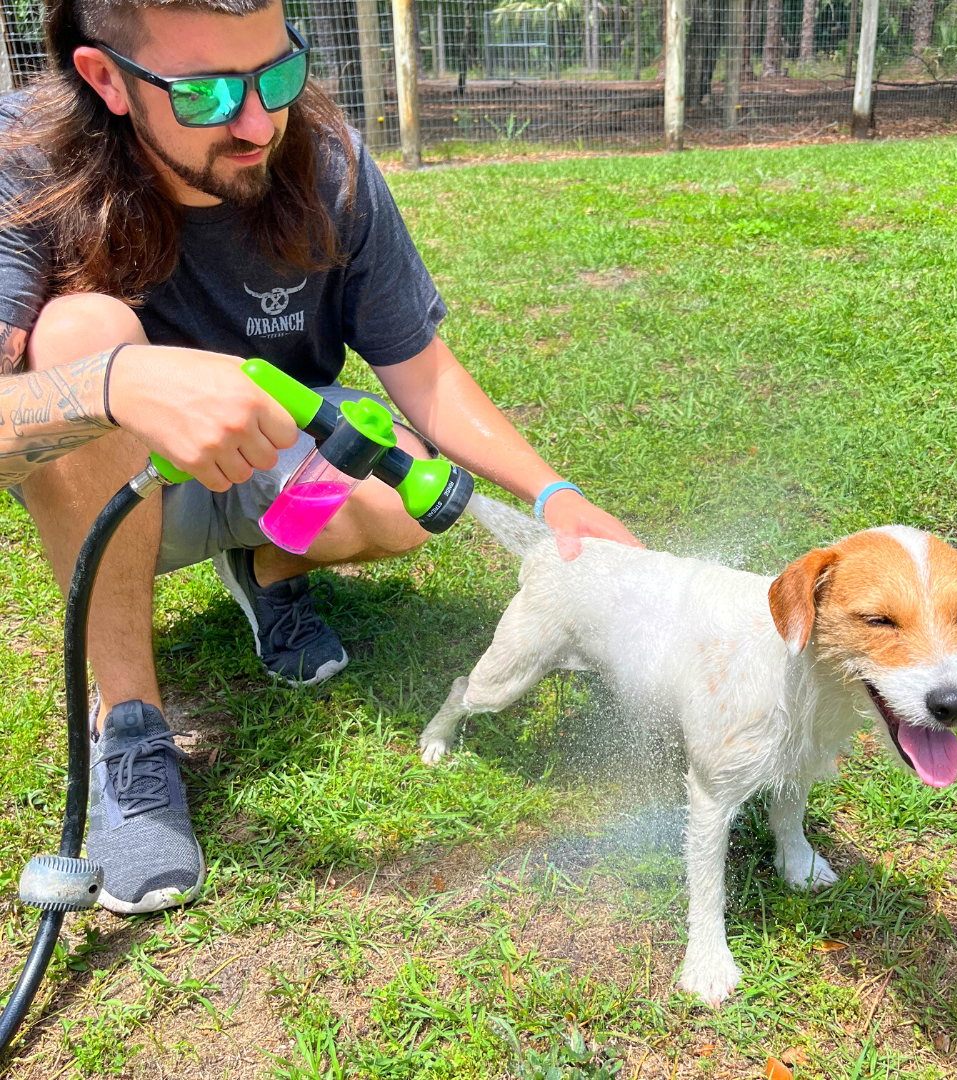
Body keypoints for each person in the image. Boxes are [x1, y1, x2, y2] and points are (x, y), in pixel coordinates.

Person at [0, 0, 641, 915]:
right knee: (82, 331)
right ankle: (131, 729)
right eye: (210, 92)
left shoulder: (326, 161)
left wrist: (555, 496)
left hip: (280, 462)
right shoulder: (27, 161)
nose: (259, 122)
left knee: (399, 493)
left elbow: (420, 373)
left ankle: (265, 569)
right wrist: (117, 387)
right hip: (128, 491)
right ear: (106, 78)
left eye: (278, 73)